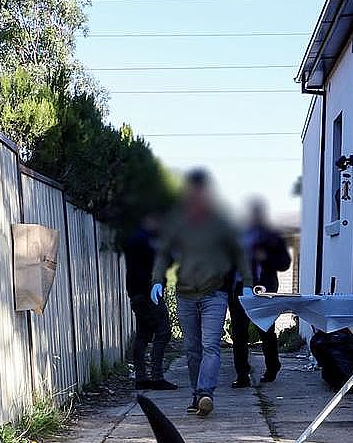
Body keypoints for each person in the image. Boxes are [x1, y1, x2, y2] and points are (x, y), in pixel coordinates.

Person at [151, 169, 246, 417]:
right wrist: (156, 280)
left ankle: (206, 393)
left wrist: (247, 281)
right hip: (185, 295)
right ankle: (197, 395)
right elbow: (163, 252)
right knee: (192, 349)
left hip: (215, 293)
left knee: (210, 345)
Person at [229, 199, 292, 387]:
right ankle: (242, 374)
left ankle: (272, 366)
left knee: (266, 329)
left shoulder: (272, 237)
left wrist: (266, 258)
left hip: (263, 290)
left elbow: (284, 263)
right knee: (239, 332)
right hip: (239, 289)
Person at [123, 215, 175, 390]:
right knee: (163, 332)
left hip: (137, 293)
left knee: (143, 336)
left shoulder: (136, 238)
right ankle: (156, 376)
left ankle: (141, 377)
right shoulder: (146, 240)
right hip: (148, 293)